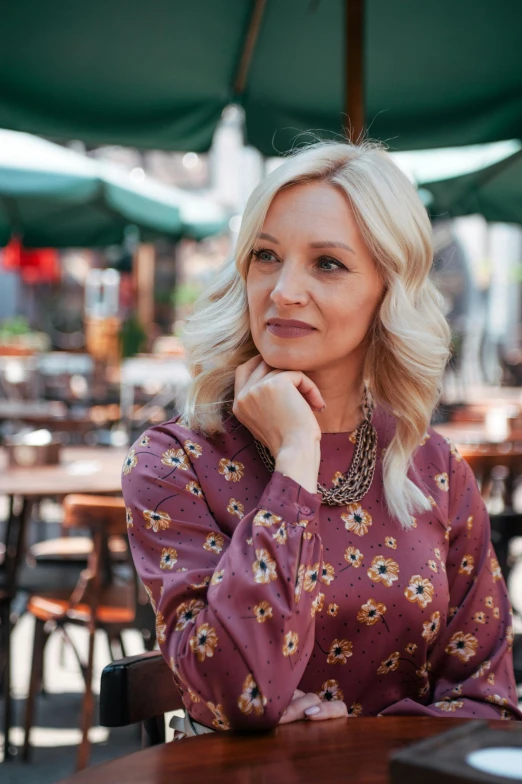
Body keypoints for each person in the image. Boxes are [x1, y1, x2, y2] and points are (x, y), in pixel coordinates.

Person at [121, 140, 521, 734]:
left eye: (327, 264)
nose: (283, 291)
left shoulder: (434, 470)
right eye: (265, 256)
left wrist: (357, 733)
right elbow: (236, 692)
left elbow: (489, 700)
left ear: (388, 289)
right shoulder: (175, 463)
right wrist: (295, 462)